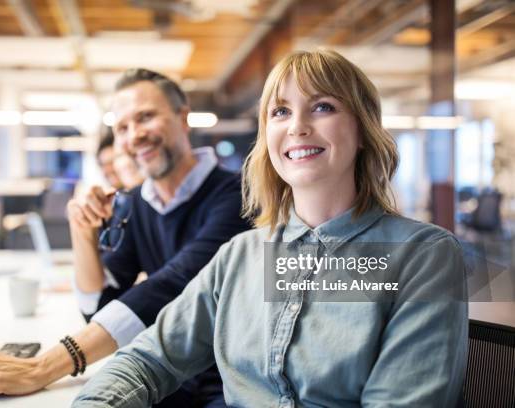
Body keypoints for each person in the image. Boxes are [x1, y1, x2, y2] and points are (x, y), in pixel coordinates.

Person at [72, 50, 469, 407]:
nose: (297, 127)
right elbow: (147, 359)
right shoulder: (240, 255)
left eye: (323, 107)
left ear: (363, 130)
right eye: (280, 112)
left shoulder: (421, 256)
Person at [0, 68, 250, 406]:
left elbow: (173, 287)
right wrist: (81, 229)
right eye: (123, 128)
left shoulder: (237, 194)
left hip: (230, 381)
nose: (134, 136)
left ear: (183, 117)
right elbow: (100, 308)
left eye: (145, 117)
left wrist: (44, 366)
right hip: (171, 377)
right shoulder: (136, 204)